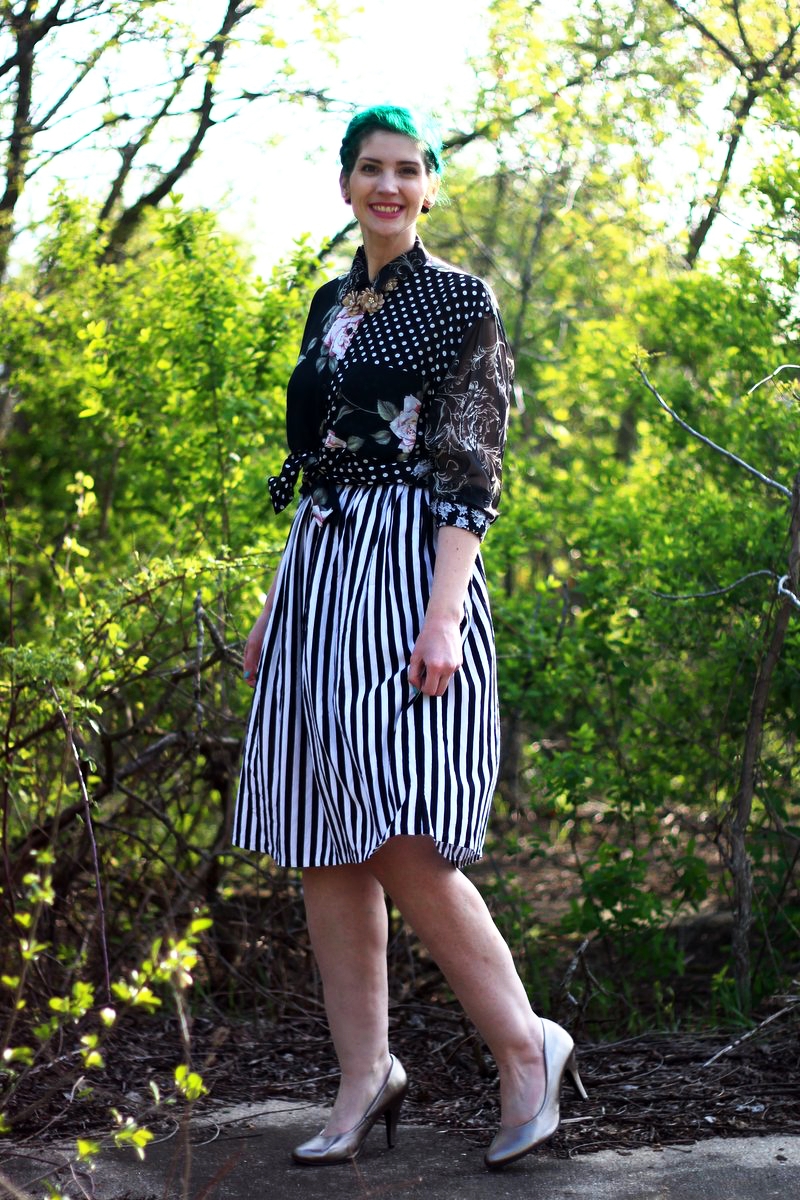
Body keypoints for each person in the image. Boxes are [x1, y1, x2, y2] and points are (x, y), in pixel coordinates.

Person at [233, 104, 587, 1171]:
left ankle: (524, 1047)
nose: (387, 186)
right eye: (370, 169)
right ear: (345, 185)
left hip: (408, 572)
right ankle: (364, 1075)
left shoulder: (459, 301)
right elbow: (318, 464)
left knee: (394, 825)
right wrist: (276, 600)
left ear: (428, 186)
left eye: (406, 169)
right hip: (318, 570)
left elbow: (472, 467)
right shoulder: (329, 305)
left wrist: (443, 615)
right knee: (319, 830)